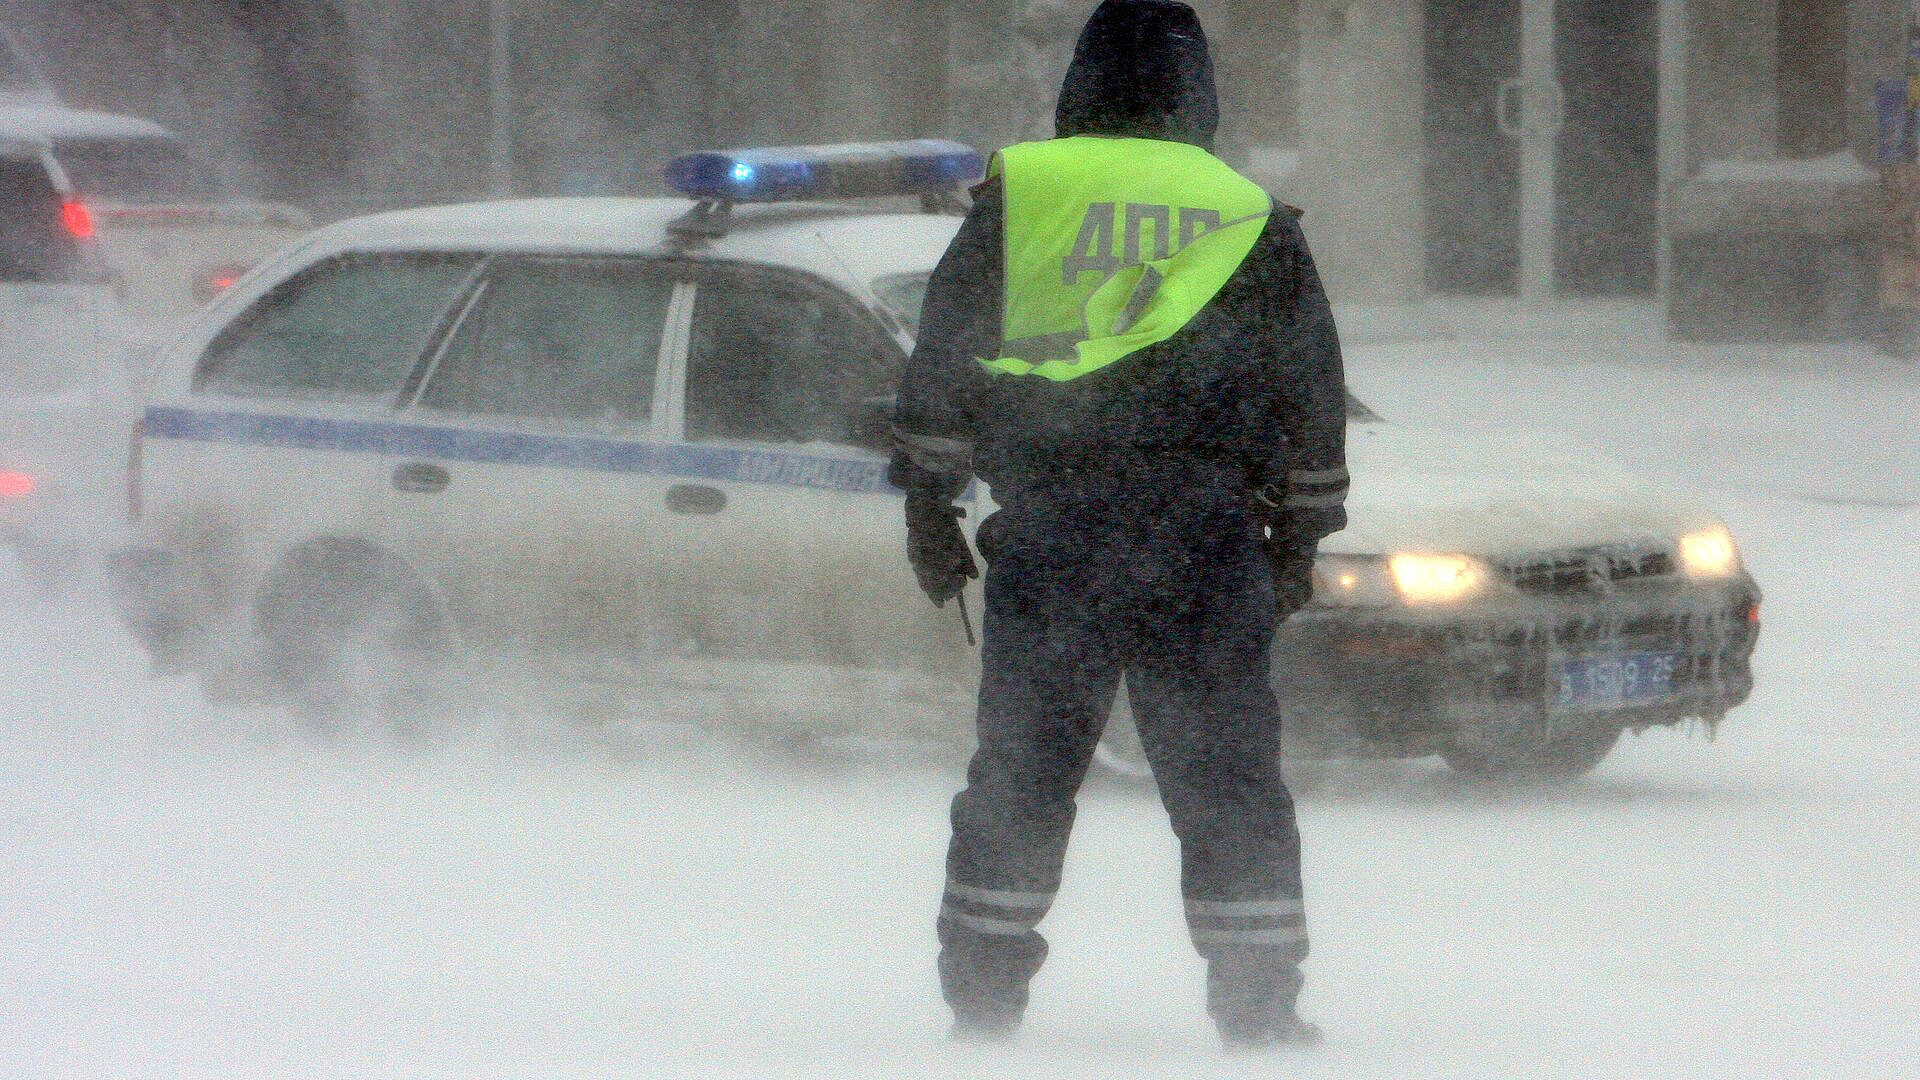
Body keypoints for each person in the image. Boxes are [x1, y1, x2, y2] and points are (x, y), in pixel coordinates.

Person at [887, 0, 1350, 1051]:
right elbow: (1308, 392)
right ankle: (1260, 1010)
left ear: (1080, 82)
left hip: (1056, 538)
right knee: (1229, 782)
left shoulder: (1027, 197)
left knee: (1022, 775)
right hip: (1205, 541)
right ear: (1200, 93)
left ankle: (984, 1004)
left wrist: (929, 507)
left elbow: (944, 357)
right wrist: (1300, 538)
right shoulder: (1246, 213)